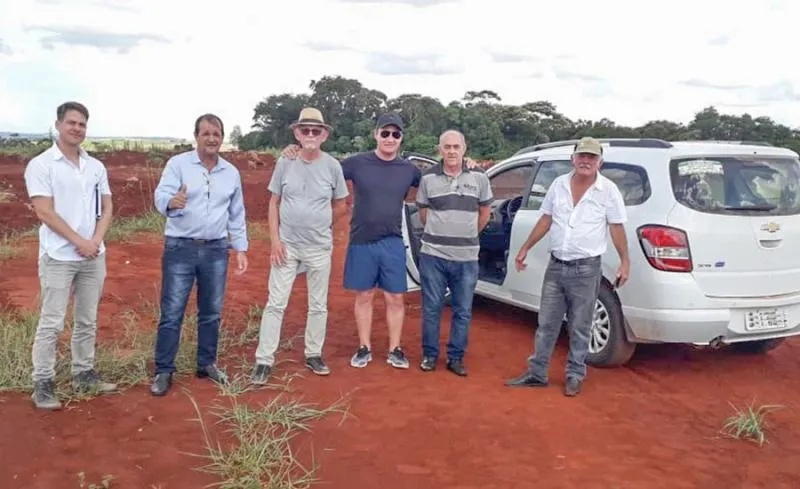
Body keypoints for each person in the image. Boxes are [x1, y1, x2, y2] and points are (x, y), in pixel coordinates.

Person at [504, 137, 630, 397]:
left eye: (591, 157)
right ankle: (537, 372)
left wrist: (624, 261)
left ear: (600, 162)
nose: (586, 161)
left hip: (586, 269)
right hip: (556, 265)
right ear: (573, 159)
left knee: (581, 325)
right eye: (582, 156)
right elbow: (546, 218)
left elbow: (616, 227)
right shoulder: (558, 185)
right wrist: (526, 247)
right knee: (547, 323)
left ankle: (575, 374)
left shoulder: (608, 191)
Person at [23, 101, 116, 410]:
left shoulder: (96, 167)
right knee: (52, 322)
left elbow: (107, 207)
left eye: (82, 124)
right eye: (72, 123)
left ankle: (83, 372)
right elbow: (44, 212)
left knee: (87, 319)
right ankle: (43, 383)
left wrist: (96, 241)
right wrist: (79, 241)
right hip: (59, 256)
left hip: (93, 255)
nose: (77, 128)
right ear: (58, 125)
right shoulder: (42, 165)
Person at [149, 113, 249, 397]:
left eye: (216, 133)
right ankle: (164, 370)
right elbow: (161, 195)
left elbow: (236, 213)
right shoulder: (178, 165)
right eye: (205, 133)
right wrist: (171, 201)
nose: (211, 138)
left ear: (222, 137)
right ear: (196, 136)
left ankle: (207, 364)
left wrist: (240, 248)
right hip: (181, 247)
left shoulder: (230, 172)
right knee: (172, 312)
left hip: (216, 249)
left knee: (211, 312)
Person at [251, 108, 348, 384]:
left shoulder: (332, 166)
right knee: (276, 302)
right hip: (287, 247)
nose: (310, 135)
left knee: (318, 304)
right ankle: (264, 359)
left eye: (315, 131)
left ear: (324, 134)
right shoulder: (285, 162)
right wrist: (275, 241)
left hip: (319, 247)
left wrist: (323, 223)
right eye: (304, 130)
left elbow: (341, 204)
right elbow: (274, 202)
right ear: (296, 133)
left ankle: (313, 353)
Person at [415, 130, 492, 376]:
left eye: (456, 147)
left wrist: (468, 235)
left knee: (463, 310)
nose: (451, 151)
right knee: (431, 307)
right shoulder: (428, 178)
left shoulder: (479, 177)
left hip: (467, 257)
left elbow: (485, 214)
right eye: (446, 147)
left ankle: (455, 357)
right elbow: (424, 214)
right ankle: (429, 355)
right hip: (433, 254)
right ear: (439, 149)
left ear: (464, 148)